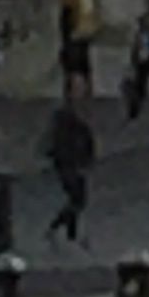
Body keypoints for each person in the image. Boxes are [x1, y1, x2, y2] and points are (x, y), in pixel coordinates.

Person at [43, 91, 96, 245]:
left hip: (67, 167)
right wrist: (86, 162)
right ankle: (60, 228)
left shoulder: (62, 129)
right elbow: (88, 145)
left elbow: (52, 148)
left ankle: (69, 232)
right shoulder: (77, 128)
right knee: (78, 201)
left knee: (75, 200)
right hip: (73, 167)